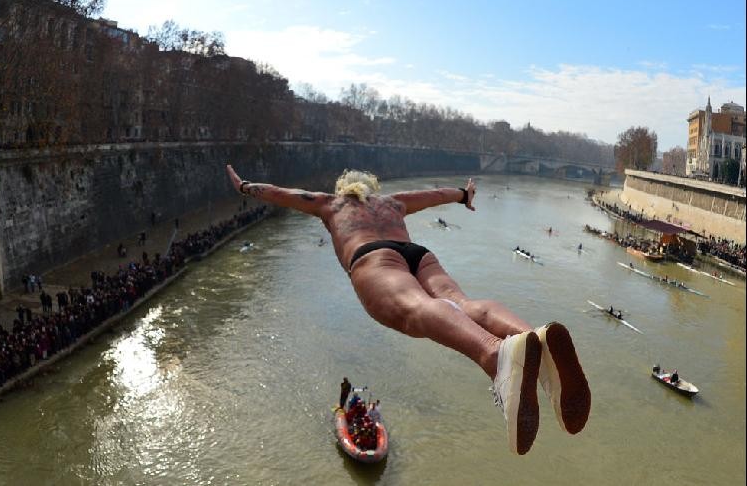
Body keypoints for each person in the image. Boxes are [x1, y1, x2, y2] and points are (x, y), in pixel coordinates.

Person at [226, 165, 590, 455]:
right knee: (463, 304)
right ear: (372, 188)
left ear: (344, 189)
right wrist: (463, 195)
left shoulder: (331, 203)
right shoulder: (393, 202)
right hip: (417, 254)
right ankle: (534, 339)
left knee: (417, 310)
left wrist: (244, 186)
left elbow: (280, 194)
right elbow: (433, 195)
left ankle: (496, 358)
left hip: (373, 257)